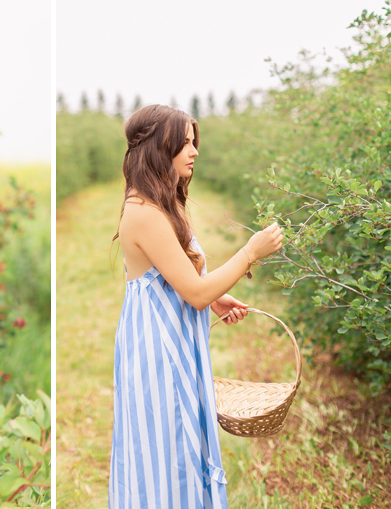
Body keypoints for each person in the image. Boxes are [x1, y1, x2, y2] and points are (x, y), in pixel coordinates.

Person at [108, 104, 283, 509]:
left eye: (193, 141)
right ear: (158, 147)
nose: (195, 151)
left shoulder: (163, 203)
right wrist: (249, 253)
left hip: (174, 342)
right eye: (185, 142)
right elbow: (194, 293)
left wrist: (215, 294)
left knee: (182, 446)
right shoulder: (144, 213)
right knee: (168, 452)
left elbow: (181, 278)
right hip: (159, 353)